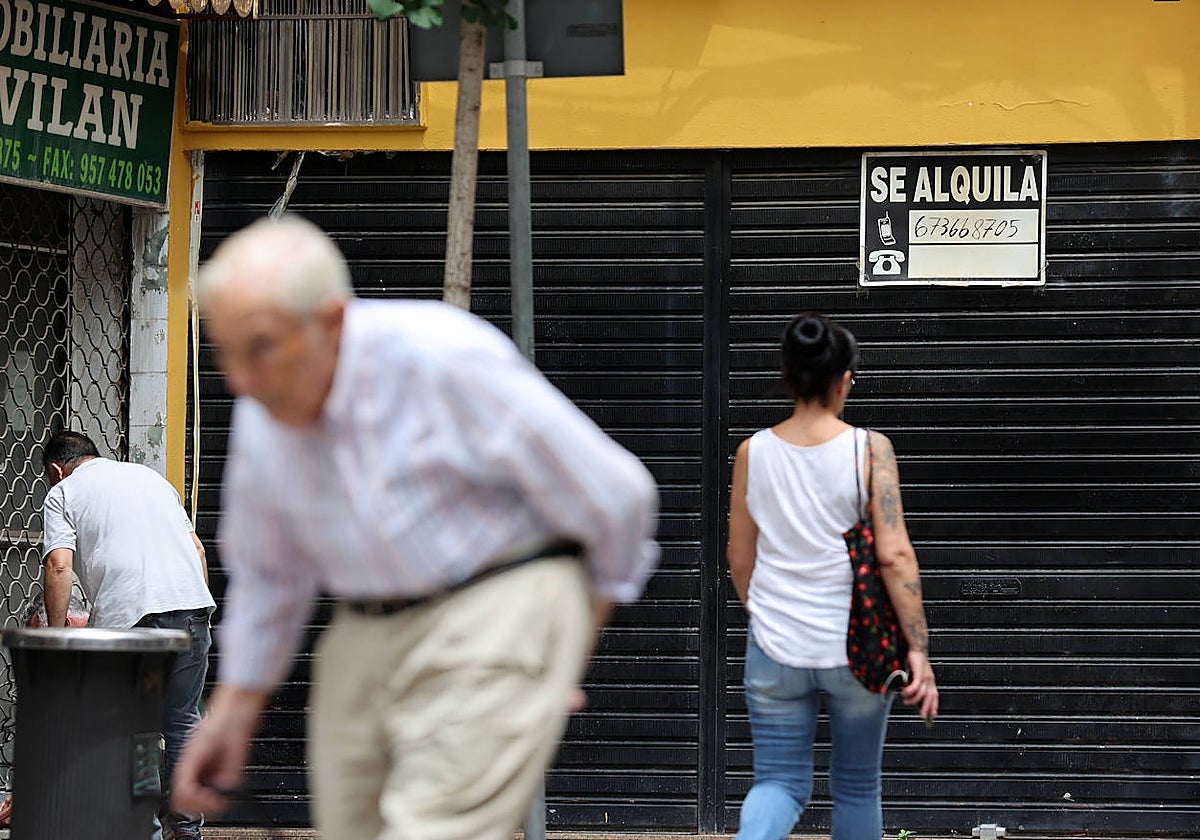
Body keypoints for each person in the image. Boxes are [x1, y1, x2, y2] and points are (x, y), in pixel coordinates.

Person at [171, 215, 660, 840]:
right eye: (224, 351)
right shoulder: (264, 409)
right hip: (363, 629)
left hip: (495, 608)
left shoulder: (441, 357)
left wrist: (568, 647)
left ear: (332, 321)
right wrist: (232, 711)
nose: (240, 379)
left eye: (261, 346)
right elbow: (270, 573)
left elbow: (616, 497)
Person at [726, 313, 939, 840]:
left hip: (774, 646)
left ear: (787, 376)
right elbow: (894, 556)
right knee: (857, 786)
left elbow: (739, 557)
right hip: (857, 649)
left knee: (778, 783)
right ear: (844, 379)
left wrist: (769, 616)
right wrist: (917, 648)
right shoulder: (870, 450)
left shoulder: (754, 452)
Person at [40, 430, 215, 840]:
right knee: (184, 725)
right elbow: (199, 550)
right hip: (191, 613)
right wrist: (198, 613)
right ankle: (187, 832)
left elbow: (60, 567)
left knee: (136, 733)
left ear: (55, 469)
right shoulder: (152, 479)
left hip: (133, 626)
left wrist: (55, 639)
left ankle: (145, 831)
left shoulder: (62, 494)